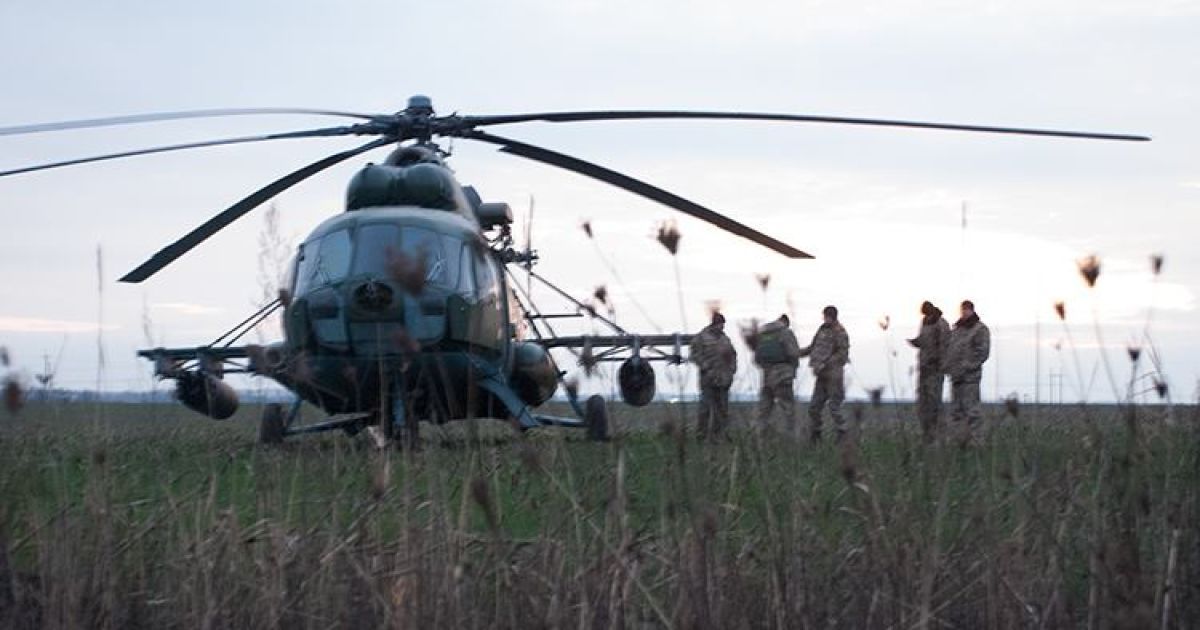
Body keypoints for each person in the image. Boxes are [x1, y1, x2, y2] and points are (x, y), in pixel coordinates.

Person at [798, 305, 850, 443]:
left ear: (831, 316)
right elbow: (812, 347)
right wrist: (797, 353)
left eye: (826, 316)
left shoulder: (840, 332)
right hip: (821, 377)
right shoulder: (822, 330)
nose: (824, 318)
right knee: (814, 407)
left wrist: (826, 363)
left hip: (834, 377)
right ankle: (816, 435)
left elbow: (843, 354)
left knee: (835, 407)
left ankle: (843, 435)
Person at [945, 300, 991, 444]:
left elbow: (983, 352)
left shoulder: (980, 329)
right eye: (962, 310)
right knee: (956, 411)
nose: (964, 312)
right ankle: (958, 440)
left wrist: (969, 365)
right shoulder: (957, 330)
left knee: (972, 411)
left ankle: (976, 441)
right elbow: (950, 350)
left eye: (967, 310)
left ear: (972, 310)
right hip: (956, 376)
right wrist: (948, 367)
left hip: (970, 378)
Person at [690, 312, 738, 439]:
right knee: (705, 408)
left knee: (722, 409)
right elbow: (694, 355)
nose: (721, 327)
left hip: (724, 379)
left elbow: (732, 355)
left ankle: (719, 435)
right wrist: (705, 366)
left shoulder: (725, 339)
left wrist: (732, 370)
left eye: (723, 324)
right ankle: (701, 434)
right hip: (708, 378)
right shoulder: (701, 337)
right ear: (714, 324)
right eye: (720, 324)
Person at [907, 301, 950, 443]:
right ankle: (927, 435)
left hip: (935, 370)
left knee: (935, 403)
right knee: (923, 403)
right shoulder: (925, 322)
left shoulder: (941, 324)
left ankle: (940, 436)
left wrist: (940, 364)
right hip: (924, 369)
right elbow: (923, 340)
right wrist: (915, 342)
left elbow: (945, 345)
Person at [754, 314, 801, 432]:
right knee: (788, 410)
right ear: (786, 322)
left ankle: (759, 438)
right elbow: (793, 353)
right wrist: (793, 367)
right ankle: (790, 440)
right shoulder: (786, 332)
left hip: (766, 376)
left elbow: (757, 358)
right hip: (783, 376)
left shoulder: (763, 334)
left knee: (764, 410)